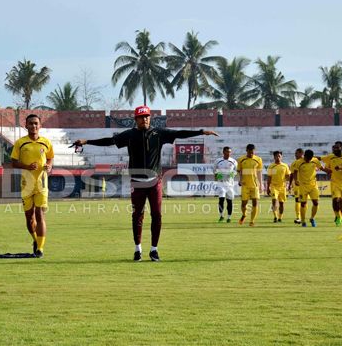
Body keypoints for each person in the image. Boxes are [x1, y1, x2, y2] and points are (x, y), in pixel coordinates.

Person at [72, 105, 218, 261]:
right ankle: (138, 249)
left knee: (157, 215)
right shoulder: (129, 135)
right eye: (141, 117)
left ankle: (154, 250)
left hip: (155, 181)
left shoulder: (159, 133)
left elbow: (179, 133)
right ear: (136, 119)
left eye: (147, 116)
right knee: (137, 216)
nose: (145, 119)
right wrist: (86, 141)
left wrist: (201, 131)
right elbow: (109, 141)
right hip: (137, 183)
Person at [11, 115, 54, 258]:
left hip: (42, 183)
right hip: (26, 184)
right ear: (26, 126)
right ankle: (35, 240)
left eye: (36, 124)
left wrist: (49, 166)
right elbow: (13, 162)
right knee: (29, 218)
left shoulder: (46, 142)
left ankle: (40, 249)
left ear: (40, 126)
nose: (33, 126)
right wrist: (27, 166)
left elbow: (50, 157)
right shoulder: (20, 143)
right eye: (31, 124)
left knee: (40, 215)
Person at [237, 144, 264, 226]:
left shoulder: (258, 159)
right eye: (250, 152)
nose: (251, 154)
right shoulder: (241, 159)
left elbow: (259, 172)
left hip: (255, 185)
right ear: (246, 150)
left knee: (255, 203)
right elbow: (239, 171)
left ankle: (252, 221)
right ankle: (244, 214)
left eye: (253, 152)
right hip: (245, 185)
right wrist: (240, 180)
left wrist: (261, 184)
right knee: (244, 203)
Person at [294, 150, 322, 227]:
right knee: (303, 204)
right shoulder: (299, 162)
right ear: (304, 156)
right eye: (307, 158)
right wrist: (296, 180)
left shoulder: (315, 160)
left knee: (316, 203)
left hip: (313, 185)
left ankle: (312, 218)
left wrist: (329, 171)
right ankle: (303, 221)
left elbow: (321, 167)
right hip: (303, 186)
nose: (308, 160)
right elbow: (295, 172)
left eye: (310, 158)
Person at [214, 146, 238, 223]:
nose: (228, 153)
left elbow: (236, 171)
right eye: (227, 151)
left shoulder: (234, 161)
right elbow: (215, 171)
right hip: (221, 183)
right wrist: (217, 176)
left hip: (230, 184)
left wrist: (233, 174)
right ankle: (221, 216)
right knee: (221, 199)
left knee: (229, 201)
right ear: (223, 152)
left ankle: (229, 217)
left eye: (230, 152)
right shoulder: (218, 161)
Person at [266, 151, 290, 223]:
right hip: (274, 187)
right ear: (274, 157)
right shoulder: (271, 166)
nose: (278, 157)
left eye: (279, 156)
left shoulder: (285, 166)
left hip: (282, 187)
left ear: (281, 157)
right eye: (276, 156)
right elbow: (269, 178)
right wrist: (268, 188)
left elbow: (288, 175)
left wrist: (289, 183)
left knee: (282, 203)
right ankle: (275, 216)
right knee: (274, 201)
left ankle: (280, 217)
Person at [287, 148, 304, 224]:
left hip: (307, 184)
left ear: (301, 154)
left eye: (296, 153)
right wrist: (290, 184)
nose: (295, 155)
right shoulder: (294, 163)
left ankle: (303, 217)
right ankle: (298, 217)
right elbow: (292, 174)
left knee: (305, 201)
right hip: (297, 184)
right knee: (298, 200)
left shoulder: (307, 162)